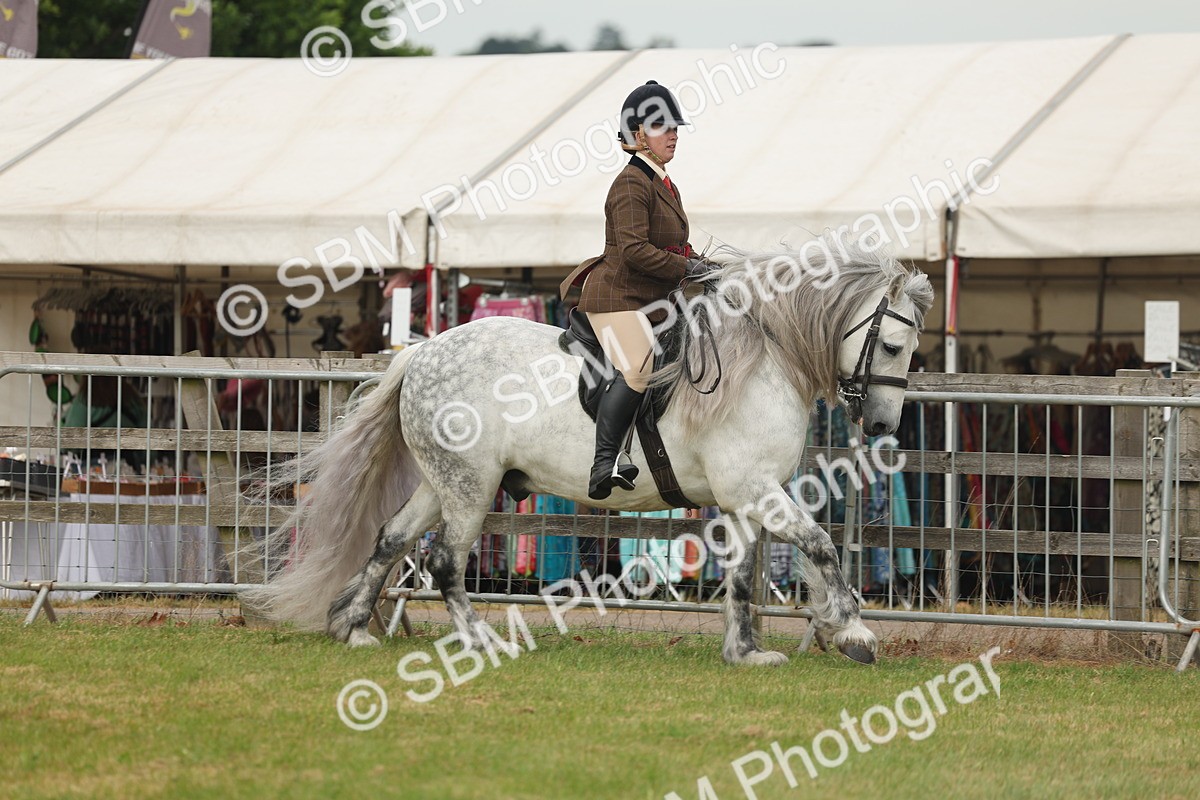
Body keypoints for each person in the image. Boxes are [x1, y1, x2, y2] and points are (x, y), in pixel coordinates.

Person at [559, 80, 714, 501]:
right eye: (663, 127)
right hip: (616, 298)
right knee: (638, 367)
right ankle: (604, 462)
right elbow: (633, 251)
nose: (674, 134)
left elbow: (673, 245)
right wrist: (687, 266)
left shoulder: (665, 184)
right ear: (638, 134)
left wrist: (709, 266)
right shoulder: (630, 183)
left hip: (650, 302)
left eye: (675, 127)